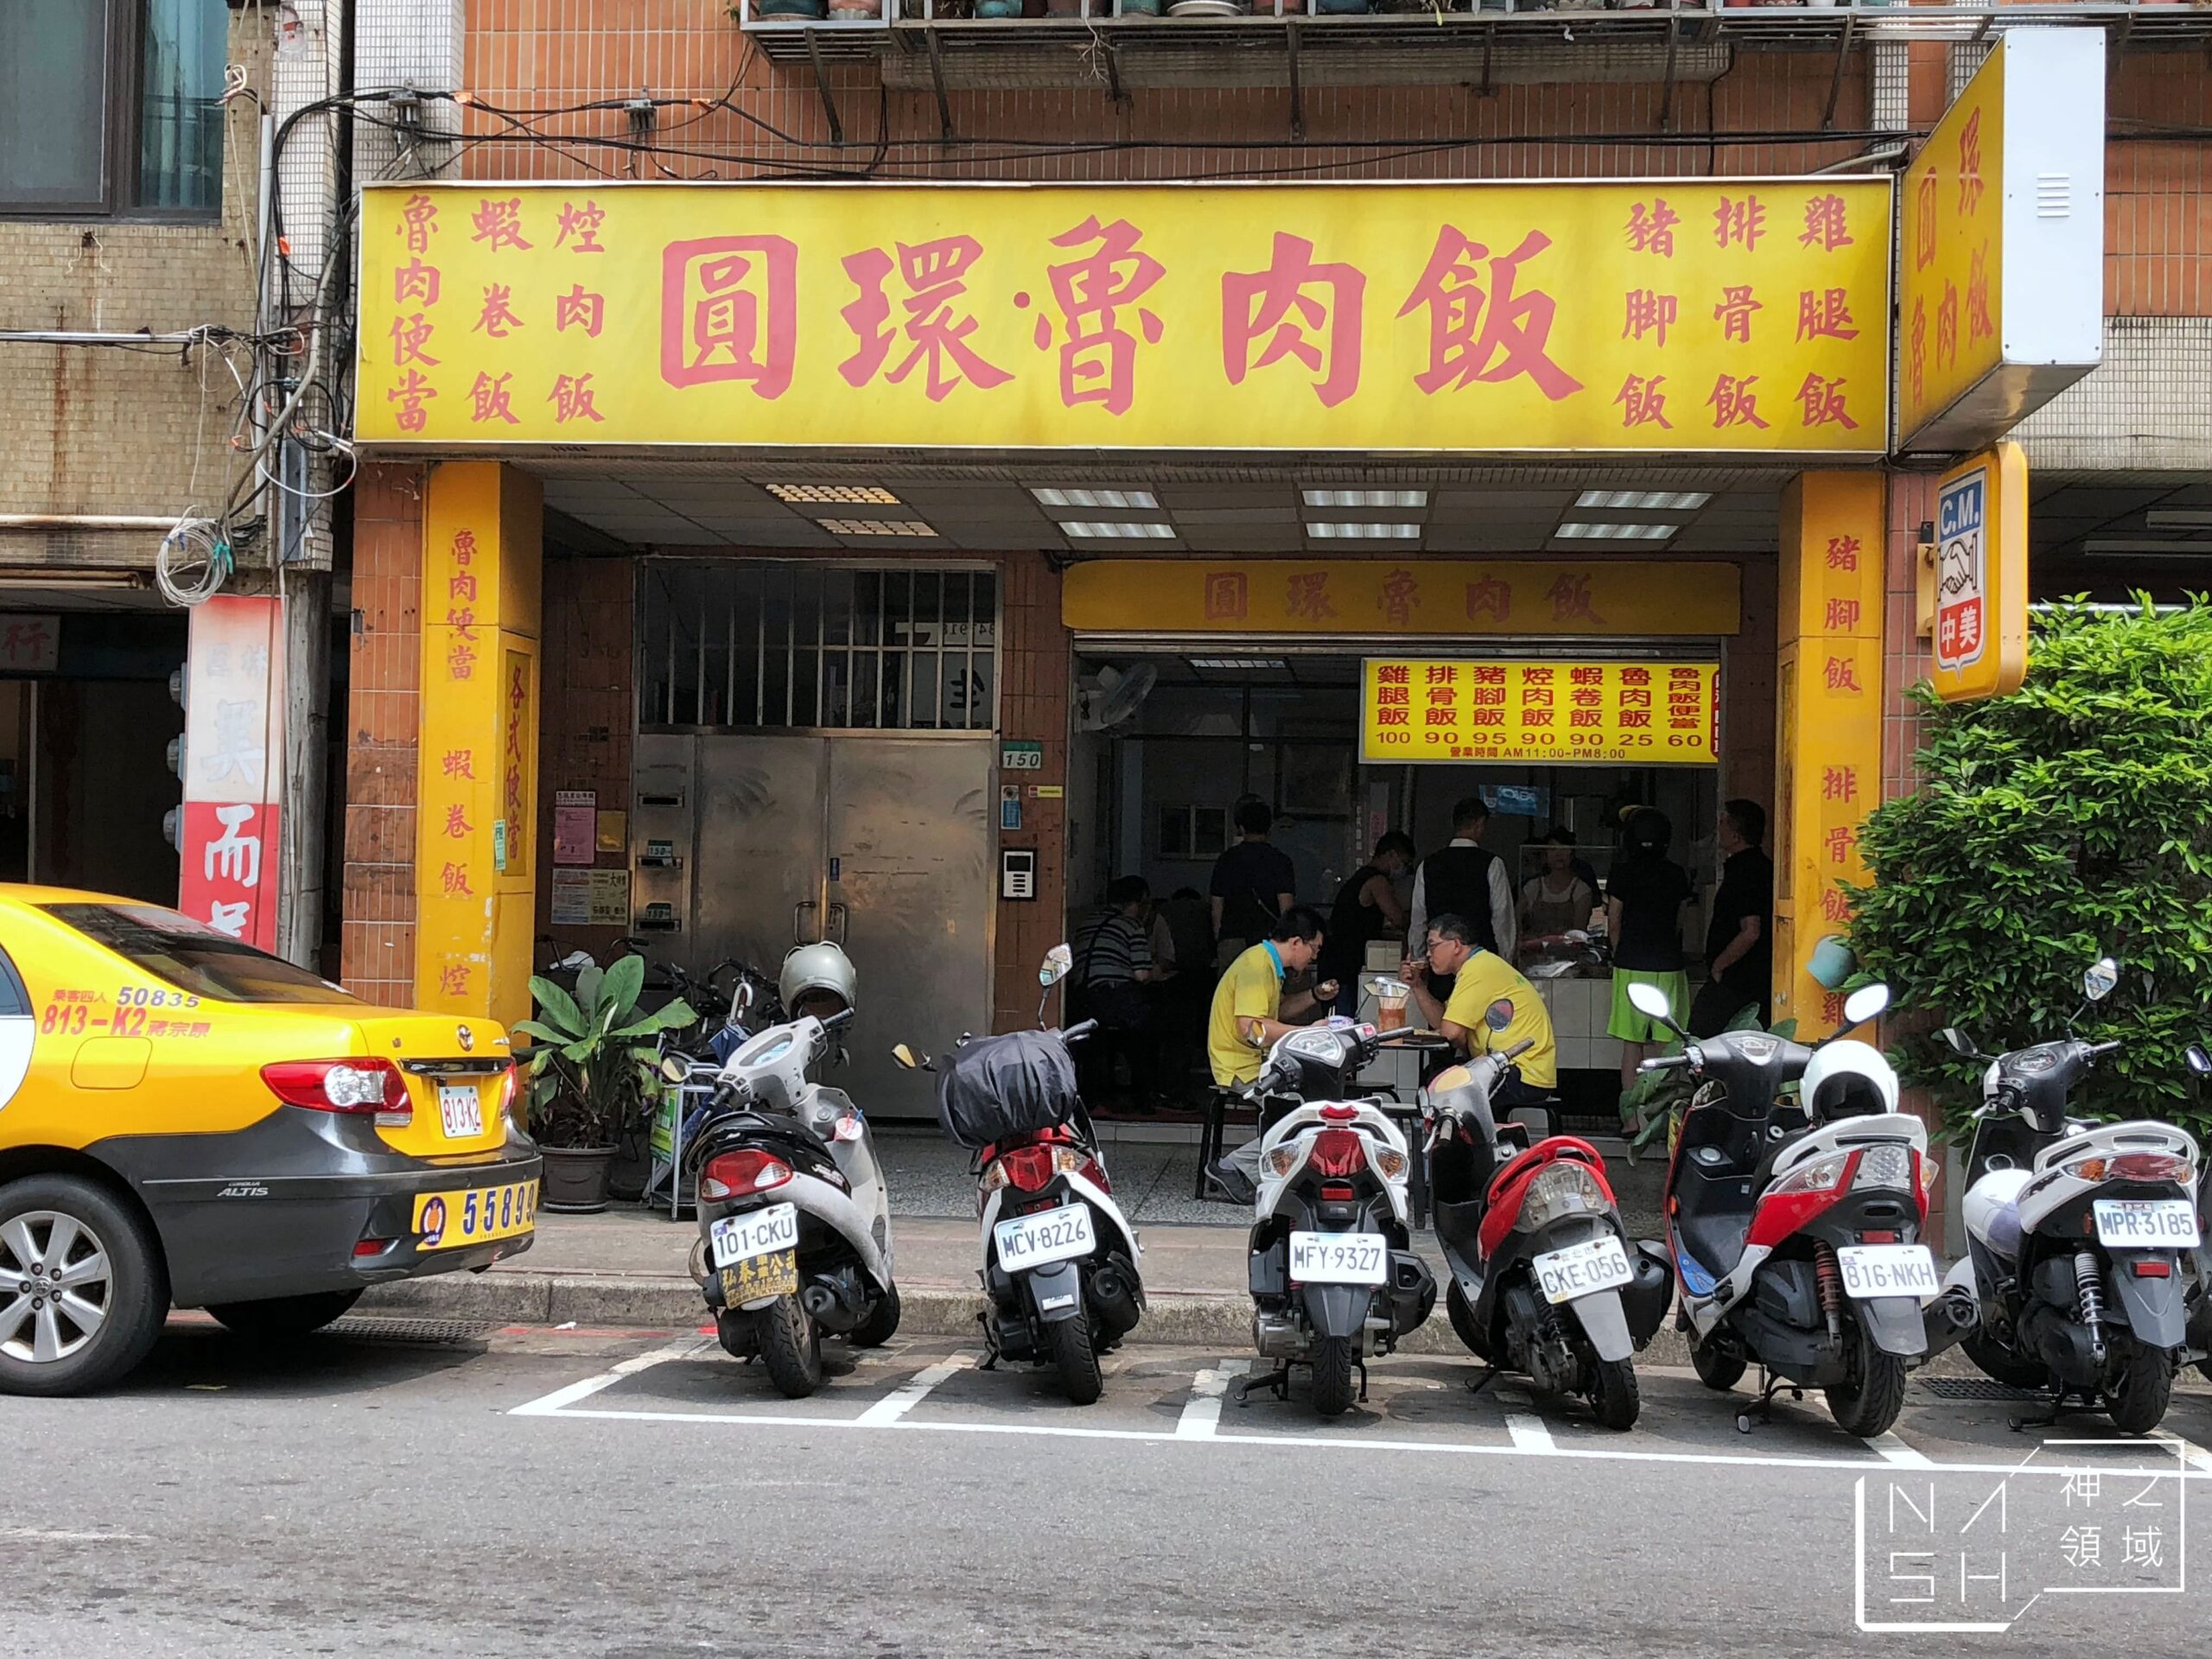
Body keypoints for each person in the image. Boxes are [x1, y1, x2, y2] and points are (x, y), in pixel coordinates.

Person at [1202, 908, 1338, 1202]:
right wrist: (1305, 1034)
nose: (1314, 957)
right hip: (1241, 1066)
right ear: (1297, 942)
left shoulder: (1266, 963)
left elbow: (1276, 1014)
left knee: (1312, 1105)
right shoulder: (1256, 965)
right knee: (1304, 1112)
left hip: (1254, 1062)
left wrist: (1314, 996)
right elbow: (1252, 1028)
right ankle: (1232, 1166)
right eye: (1314, 949)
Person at [1402, 912, 1558, 1110]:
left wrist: (1461, 1041)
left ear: (1456, 945)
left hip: (1521, 1071)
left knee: (1444, 1086)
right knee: (1438, 1077)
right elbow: (1445, 1021)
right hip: (1517, 1068)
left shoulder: (1478, 969)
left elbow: (1451, 1032)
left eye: (1432, 945)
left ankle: (1465, 1141)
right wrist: (1418, 987)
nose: (1429, 954)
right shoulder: (1480, 965)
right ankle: (1461, 1141)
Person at [1605, 807, 1695, 1091]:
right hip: (1669, 965)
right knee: (1668, 1046)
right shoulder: (1677, 874)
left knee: (1632, 1045)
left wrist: (1620, 953)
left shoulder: (1622, 872)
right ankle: (1665, 1115)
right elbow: (1681, 922)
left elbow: (1614, 923)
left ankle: (1630, 1119)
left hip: (1630, 964)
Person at [1071, 875, 1158, 1110]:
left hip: (1081, 997)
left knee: (1093, 1046)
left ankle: (1093, 1097)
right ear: (1137, 903)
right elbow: (1142, 975)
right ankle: (1144, 1098)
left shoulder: (1086, 923)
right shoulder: (1132, 925)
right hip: (1115, 998)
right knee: (1146, 1033)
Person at [1689, 798, 1774, 1038]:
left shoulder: (1746, 872)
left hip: (1738, 978)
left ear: (1736, 835)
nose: (1718, 831)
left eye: (1722, 824)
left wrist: (1720, 964)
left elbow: (1751, 930)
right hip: (1745, 976)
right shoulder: (1752, 866)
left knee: (1701, 1038)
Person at [1406, 797, 1516, 976]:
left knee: (1439, 1005)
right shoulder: (1492, 864)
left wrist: (1419, 960)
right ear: (1480, 824)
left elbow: (1419, 919)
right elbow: (1502, 918)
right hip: (1482, 962)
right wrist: (1504, 960)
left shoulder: (1428, 865)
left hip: (1440, 965)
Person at [1319, 830, 1416, 1014]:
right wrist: (1419, 914)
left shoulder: (1361, 876)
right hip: (1346, 964)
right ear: (1391, 854)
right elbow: (1398, 919)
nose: (1404, 869)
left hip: (1337, 961)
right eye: (1404, 863)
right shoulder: (1377, 881)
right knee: (1346, 1022)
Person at [1209, 799, 1297, 957]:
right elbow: (1286, 907)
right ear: (1269, 828)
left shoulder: (1226, 860)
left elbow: (1217, 906)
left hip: (1232, 938)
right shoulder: (1280, 861)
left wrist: (1220, 938)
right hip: (1268, 942)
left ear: (1241, 828)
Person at [1517, 826, 1599, 963]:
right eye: (1553, 849)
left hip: (1567, 960)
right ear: (1545, 855)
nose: (1559, 854)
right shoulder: (1533, 887)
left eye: (1564, 849)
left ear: (1572, 853)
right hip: (1532, 957)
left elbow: (1578, 931)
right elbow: (1515, 919)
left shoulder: (1581, 890)